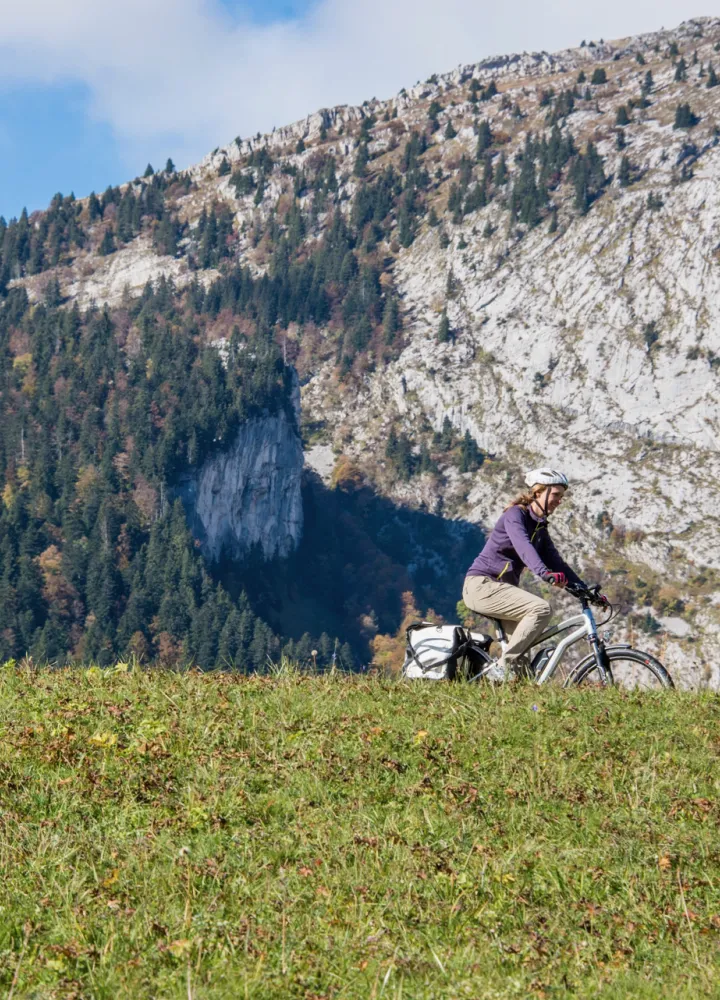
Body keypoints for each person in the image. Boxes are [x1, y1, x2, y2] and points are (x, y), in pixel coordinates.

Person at [462, 468, 586, 681]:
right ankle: (501, 667)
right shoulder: (515, 515)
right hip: (481, 585)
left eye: (561, 497)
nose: (559, 501)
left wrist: (585, 590)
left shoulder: (540, 527)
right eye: (556, 495)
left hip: (501, 590)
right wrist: (544, 573)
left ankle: (504, 691)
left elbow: (558, 563)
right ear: (538, 492)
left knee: (521, 669)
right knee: (541, 609)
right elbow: (523, 546)